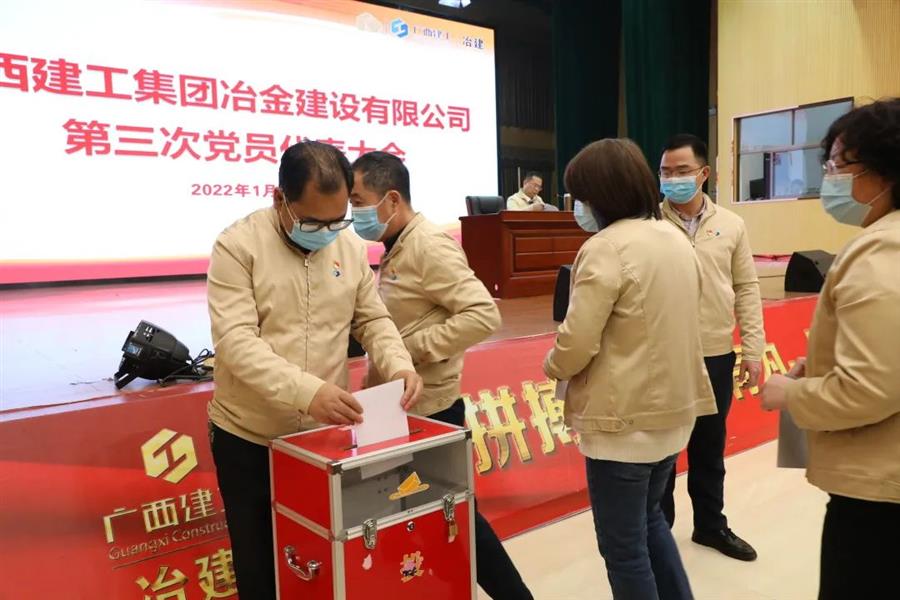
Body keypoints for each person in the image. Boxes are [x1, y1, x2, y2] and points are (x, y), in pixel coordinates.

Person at [206, 141, 423, 599]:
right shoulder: (237, 246)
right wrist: (307, 392)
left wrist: (399, 364)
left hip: (321, 440)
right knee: (260, 568)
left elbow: (373, 319)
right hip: (251, 436)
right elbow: (236, 343)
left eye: (337, 220)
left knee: (323, 563)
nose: (326, 233)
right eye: (313, 223)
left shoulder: (348, 246)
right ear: (279, 199)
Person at [350, 151, 533, 600]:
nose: (353, 212)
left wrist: (407, 351)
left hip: (430, 409)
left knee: (458, 520)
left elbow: (482, 314)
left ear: (392, 200)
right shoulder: (398, 244)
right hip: (395, 409)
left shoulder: (428, 245)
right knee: (422, 521)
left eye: (358, 201)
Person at [544, 138, 715, 600]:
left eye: (580, 196)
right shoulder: (674, 238)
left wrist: (552, 365)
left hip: (623, 424)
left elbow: (577, 341)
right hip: (673, 415)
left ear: (600, 195)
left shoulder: (606, 247)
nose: (578, 207)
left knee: (624, 550)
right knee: (650, 522)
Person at [760, 98, 900, 600]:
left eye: (840, 164)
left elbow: (871, 387)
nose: (830, 178)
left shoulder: (882, 249)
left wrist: (791, 394)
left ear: (884, 171)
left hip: (879, 493)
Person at [658, 134, 764, 562]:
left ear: (703, 173)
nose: (673, 179)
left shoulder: (731, 224)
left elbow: (746, 287)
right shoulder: (648, 222)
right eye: (666, 172)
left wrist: (753, 348)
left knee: (709, 445)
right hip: (661, 354)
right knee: (662, 449)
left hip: (716, 352)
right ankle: (658, 530)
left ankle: (710, 526)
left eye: (682, 171)